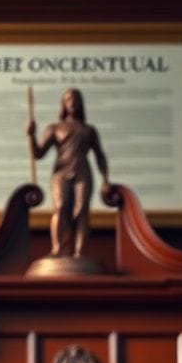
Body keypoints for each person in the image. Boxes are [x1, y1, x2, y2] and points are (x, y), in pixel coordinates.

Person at [26, 88, 110, 258]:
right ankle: (59, 249)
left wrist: (105, 179)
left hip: (82, 172)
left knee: (81, 210)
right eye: (69, 99)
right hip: (61, 172)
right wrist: (31, 136)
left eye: (76, 99)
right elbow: (38, 154)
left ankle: (80, 252)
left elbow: (99, 155)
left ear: (80, 104)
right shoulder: (55, 128)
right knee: (61, 207)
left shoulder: (88, 130)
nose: (73, 102)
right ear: (63, 104)